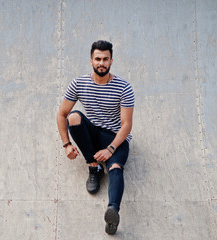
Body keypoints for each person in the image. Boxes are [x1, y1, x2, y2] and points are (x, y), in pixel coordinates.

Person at [56, 40, 134, 235]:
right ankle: (94, 166)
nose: (102, 63)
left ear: (111, 61)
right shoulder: (79, 83)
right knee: (74, 117)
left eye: (105, 59)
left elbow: (126, 125)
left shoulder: (124, 87)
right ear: (91, 61)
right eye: (98, 59)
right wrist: (66, 144)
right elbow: (61, 114)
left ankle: (113, 212)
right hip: (92, 132)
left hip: (115, 139)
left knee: (116, 168)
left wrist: (110, 149)